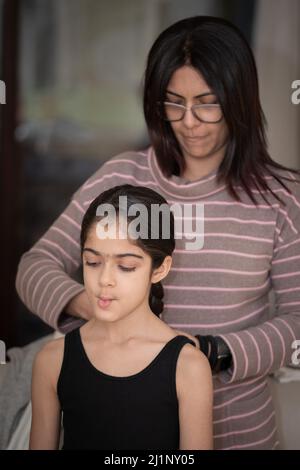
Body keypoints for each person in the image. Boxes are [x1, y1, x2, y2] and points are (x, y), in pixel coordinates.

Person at [17, 16, 300, 450]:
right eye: (174, 103)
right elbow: (34, 267)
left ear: (239, 99)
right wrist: (97, 305)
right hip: (127, 427)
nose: (189, 122)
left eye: (207, 103)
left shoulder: (281, 198)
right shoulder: (122, 177)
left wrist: (212, 352)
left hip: (240, 430)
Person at [29, 185, 213, 450]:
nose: (104, 280)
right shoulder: (52, 360)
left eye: (125, 267)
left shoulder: (188, 367)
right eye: (92, 262)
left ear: (160, 269)